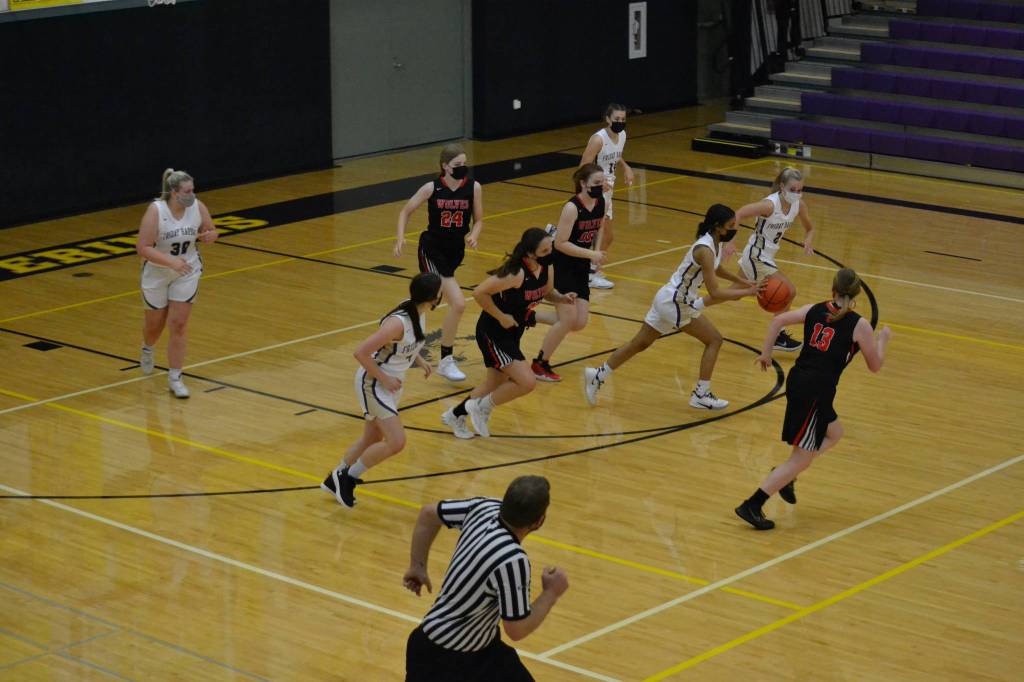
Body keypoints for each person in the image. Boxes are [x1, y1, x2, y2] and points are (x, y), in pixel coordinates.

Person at [735, 268, 892, 530]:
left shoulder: (813, 309)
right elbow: (875, 365)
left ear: (833, 289)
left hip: (800, 382)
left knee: (835, 433)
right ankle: (753, 504)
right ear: (856, 295)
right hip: (816, 390)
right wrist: (883, 341)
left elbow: (777, 321)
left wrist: (766, 354)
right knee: (802, 458)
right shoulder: (859, 325)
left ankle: (786, 475)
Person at [584, 204, 759, 410]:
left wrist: (743, 281)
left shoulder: (714, 243)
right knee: (714, 340)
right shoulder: (705, 249)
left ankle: (598, 375)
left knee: (639, 343)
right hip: (677, 302)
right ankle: (701, 394)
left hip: (668, 297)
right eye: (731, 225)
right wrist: (747, 293)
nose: (734, 229)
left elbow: (716, 268)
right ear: (718, 226)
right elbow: (716, 293)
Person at [403, 476, 569, 682]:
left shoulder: (484, 507)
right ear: (539, 521)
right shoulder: (511, 560)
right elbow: (516, 629)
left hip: (474, 648)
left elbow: (428, 514)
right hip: (445, 659)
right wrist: (551, 593)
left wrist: (417, 566)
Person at [321, 273, 442, 508]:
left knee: (372, 437)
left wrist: (420, 360)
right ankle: (347, 477)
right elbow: (361, 353)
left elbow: (404, 345)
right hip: (374, 383)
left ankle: (333, 478)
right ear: (433, 298)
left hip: (390, 383)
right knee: (396, 441)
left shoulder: (419, 313)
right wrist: (385, 378)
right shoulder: (398, 322)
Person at [442, 228, 573, 439]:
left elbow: (547, 292)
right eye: (545, 250)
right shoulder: (515, 273)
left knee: (494, 383)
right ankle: (482, 407)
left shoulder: (546, 267)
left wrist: (562, 298)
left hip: (513, 331)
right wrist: (501, 315)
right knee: (527, 382)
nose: (551, 253)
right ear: (530, 253)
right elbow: (479, 293)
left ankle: (454, 415)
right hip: (493, 332)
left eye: (551, 247)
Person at [395, 144, 483, 382]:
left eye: (465, 164)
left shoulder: (473, 187)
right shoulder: (431, 188)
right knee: (458, 304)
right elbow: (405, 211)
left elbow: (479, 220)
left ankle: (403, 312)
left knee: (431, 301)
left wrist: (474, 234)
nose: (462, 168)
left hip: (455, 252)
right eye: (457, 165)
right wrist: (401, 236)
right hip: (432, 249)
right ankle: (445, 360)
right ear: (445, 166)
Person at [135, 168, 217, 399]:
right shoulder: (156, 211)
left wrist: (211, 235)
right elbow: (143, 248)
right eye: (187, 191)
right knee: (155, 324)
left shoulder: (197, 206)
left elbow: (210, 229)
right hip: (158, 272)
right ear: (173, 192)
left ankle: (175, 377)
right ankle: (147, 348)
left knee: (178, 324)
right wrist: (170, 262)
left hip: (187, 269)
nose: (192, 194)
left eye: (193, 190)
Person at [531, 164, 606, 382]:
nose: (600, 187)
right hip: (562, 265)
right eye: (596, 183)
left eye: (602, 183)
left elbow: (599, 227)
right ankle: (540, 363)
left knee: (579, 322)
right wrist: (590, 255)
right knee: (566, 320)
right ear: (583, 183)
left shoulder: (601, 202)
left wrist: (596, 252)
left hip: (581, 265)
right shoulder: (572, 208)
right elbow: (561, 243)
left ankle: (527, 316)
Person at [732, 166, 817, 352]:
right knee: (789, 291)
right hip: (757, 255)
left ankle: (694, 303)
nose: (797, 194)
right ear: (782, 187)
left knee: (734, 294)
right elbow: (738, 214)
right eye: (793, 190)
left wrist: (808, 239)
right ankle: (779, 335)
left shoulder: (799, 205)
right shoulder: (769, 205)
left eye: (800, 190)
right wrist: (730, 241)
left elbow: (810, 228)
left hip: (763, 255)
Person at [579, 103, 635, 291]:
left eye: (623, 119)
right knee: (603, 234)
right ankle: (589, 274)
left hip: (608, 191)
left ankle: (590, 270)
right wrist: (598, 183)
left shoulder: (622, 136)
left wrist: (626, 167)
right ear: (608, 119)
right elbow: (583, 167)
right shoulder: (598, 139)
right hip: (595, 192)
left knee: (606, 236)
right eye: (617, 119)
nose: (620, 122)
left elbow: (615, 155)